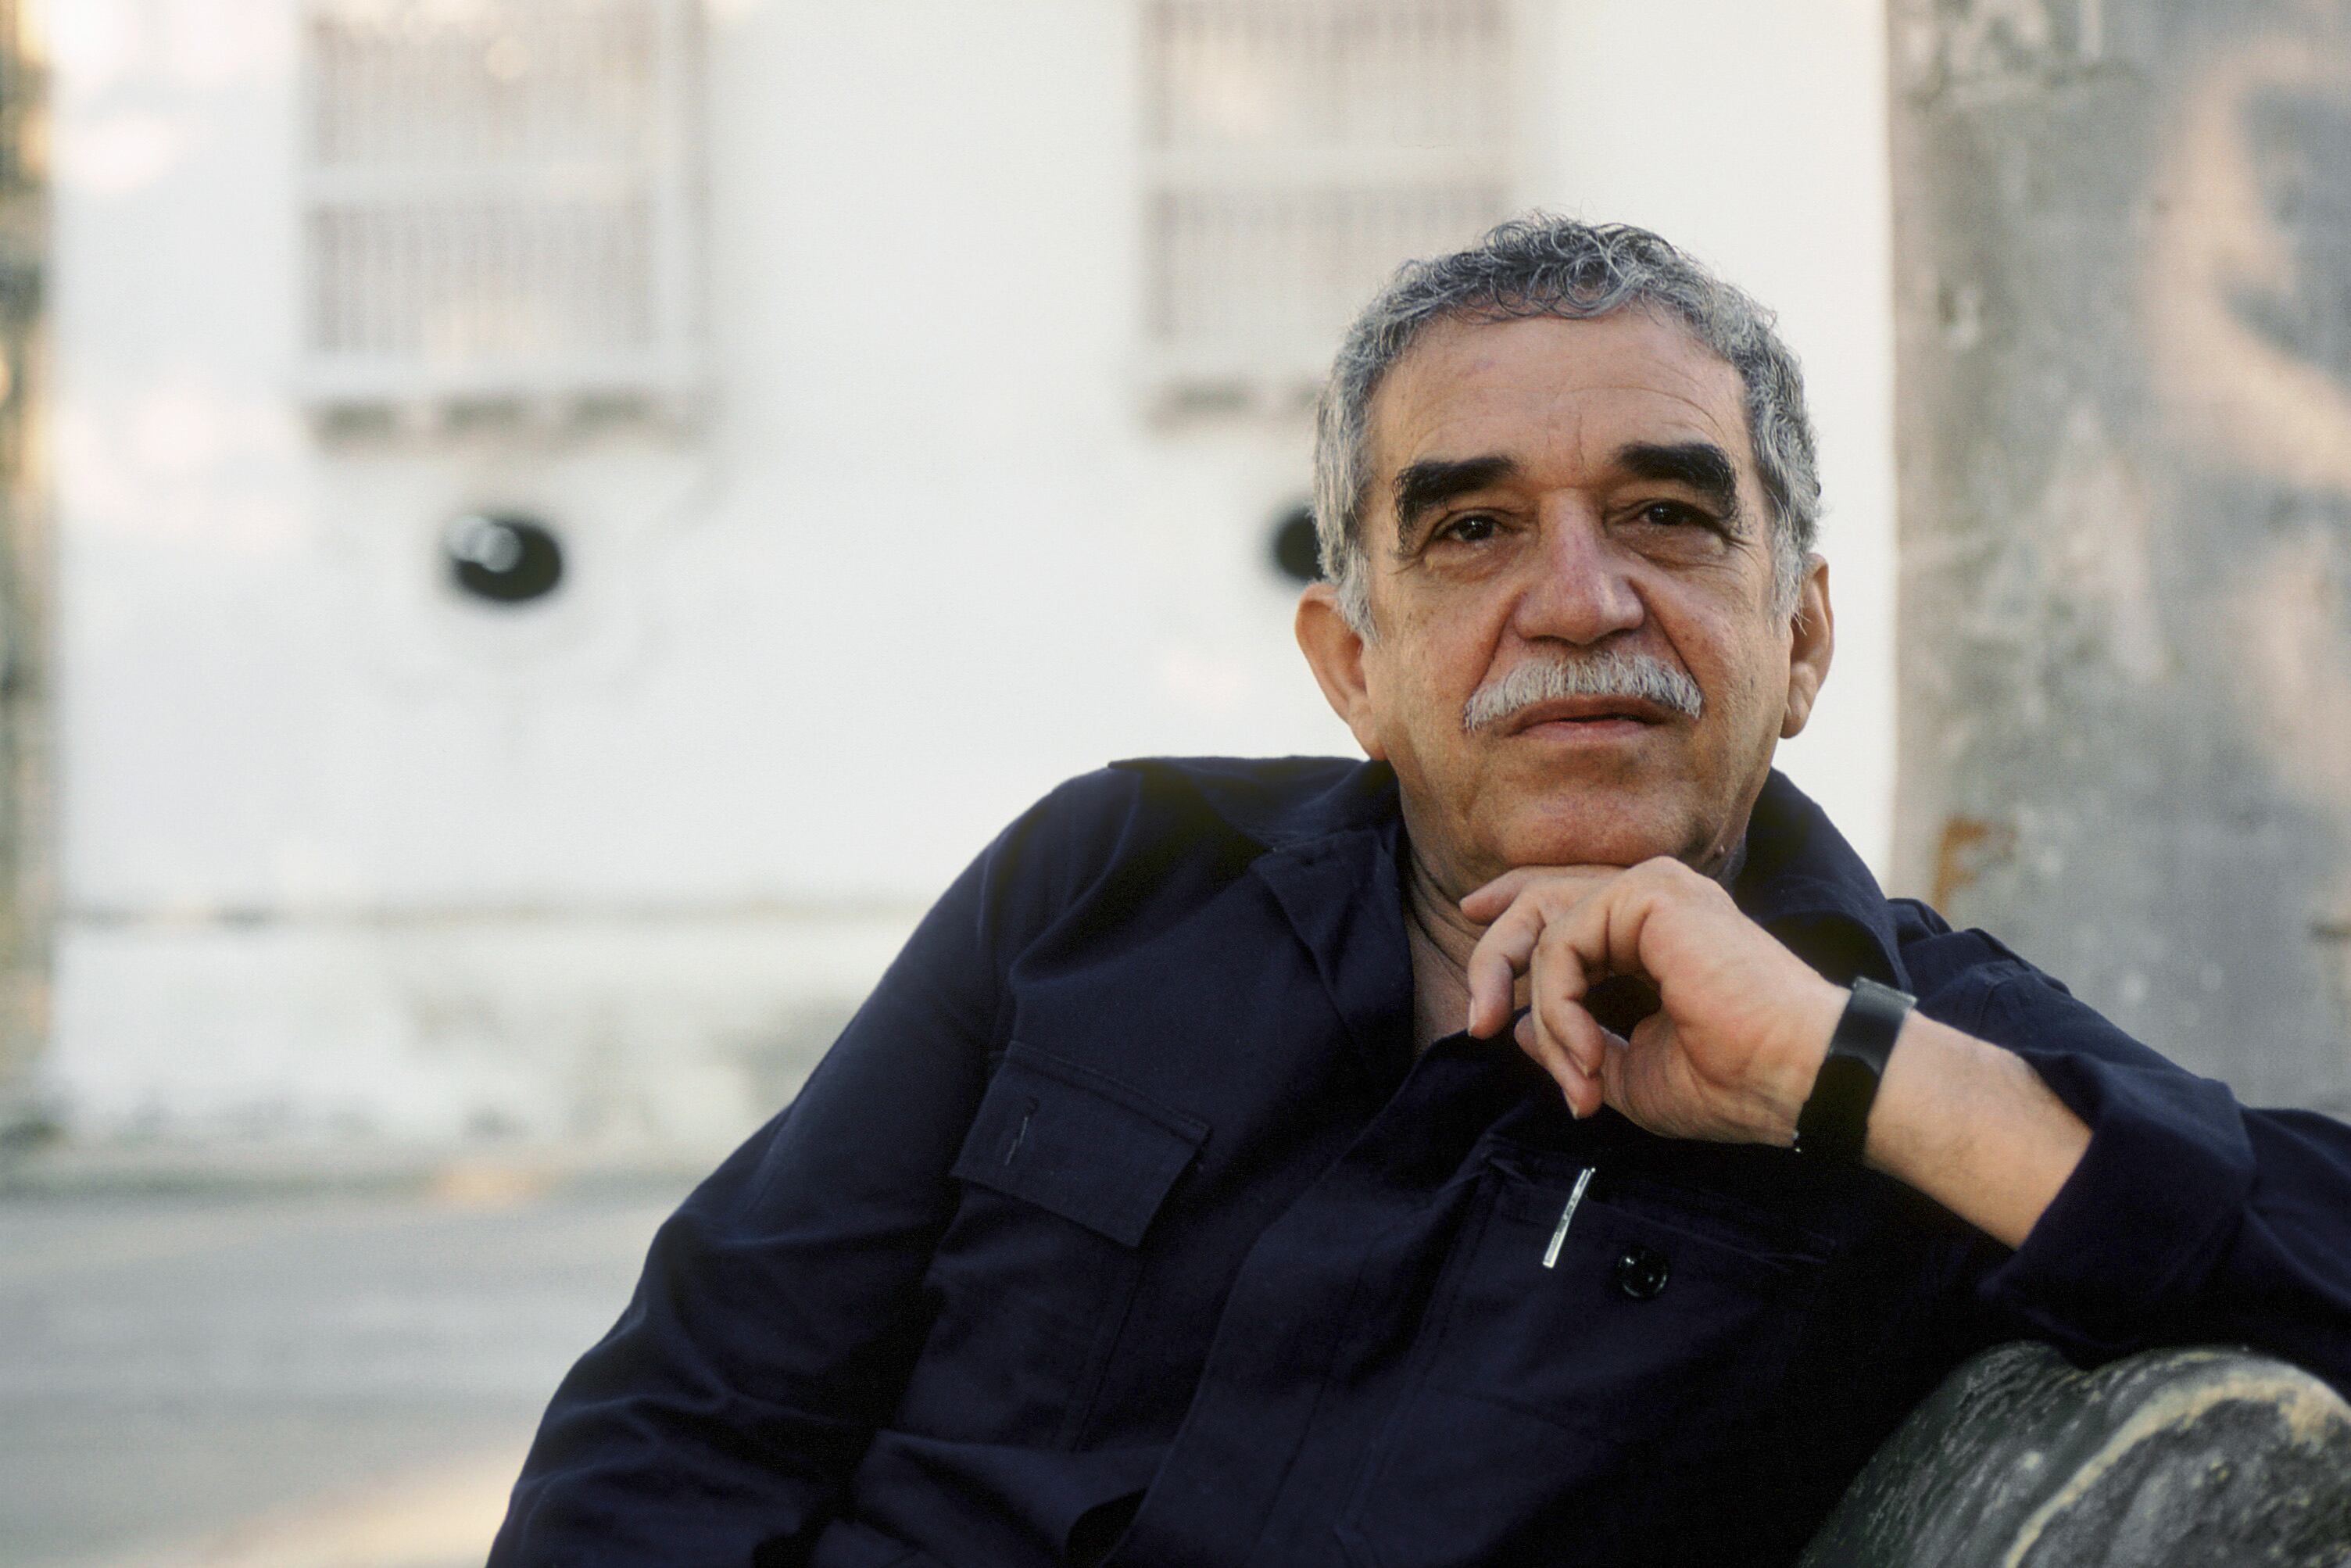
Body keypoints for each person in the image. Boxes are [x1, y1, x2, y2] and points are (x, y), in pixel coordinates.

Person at [488, 218, 2351, 1568]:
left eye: (1666, 515)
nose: (1578, 600)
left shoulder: (1895, 1059)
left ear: (1799, 639)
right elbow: (699, 1406)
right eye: (1469, 530)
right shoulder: (1110, 879)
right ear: (1349, 663)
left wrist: (1835, 1069)